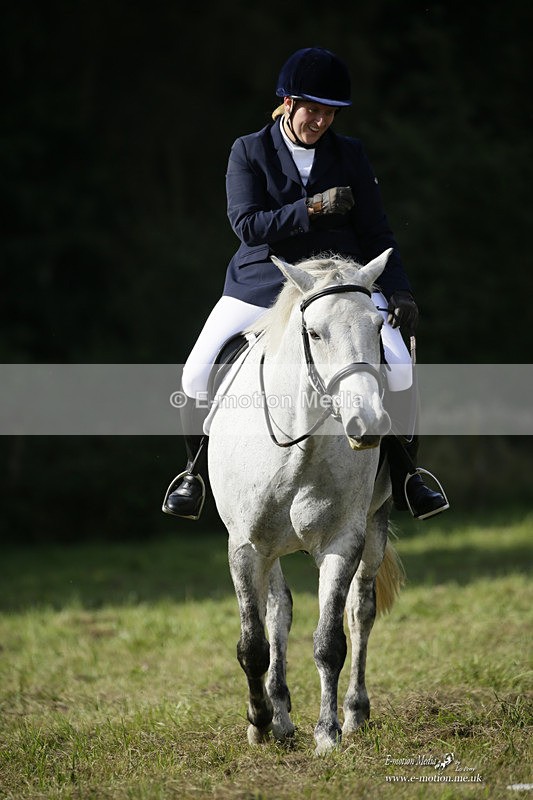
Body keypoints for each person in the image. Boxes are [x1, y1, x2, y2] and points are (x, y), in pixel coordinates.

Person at [162, 46, 449, 522]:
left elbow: (378, 232)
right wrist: (312, 208)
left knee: (399, 366)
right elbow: (248, 226)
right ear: (287, 103)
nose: (320, 121)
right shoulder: (248, 151)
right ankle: (193, 474)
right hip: (264, 283)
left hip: (340, 284)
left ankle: (407, 475)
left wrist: (399, 288)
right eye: (312, 110)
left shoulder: (351, 154)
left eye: (329, 113)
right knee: (195, 373)